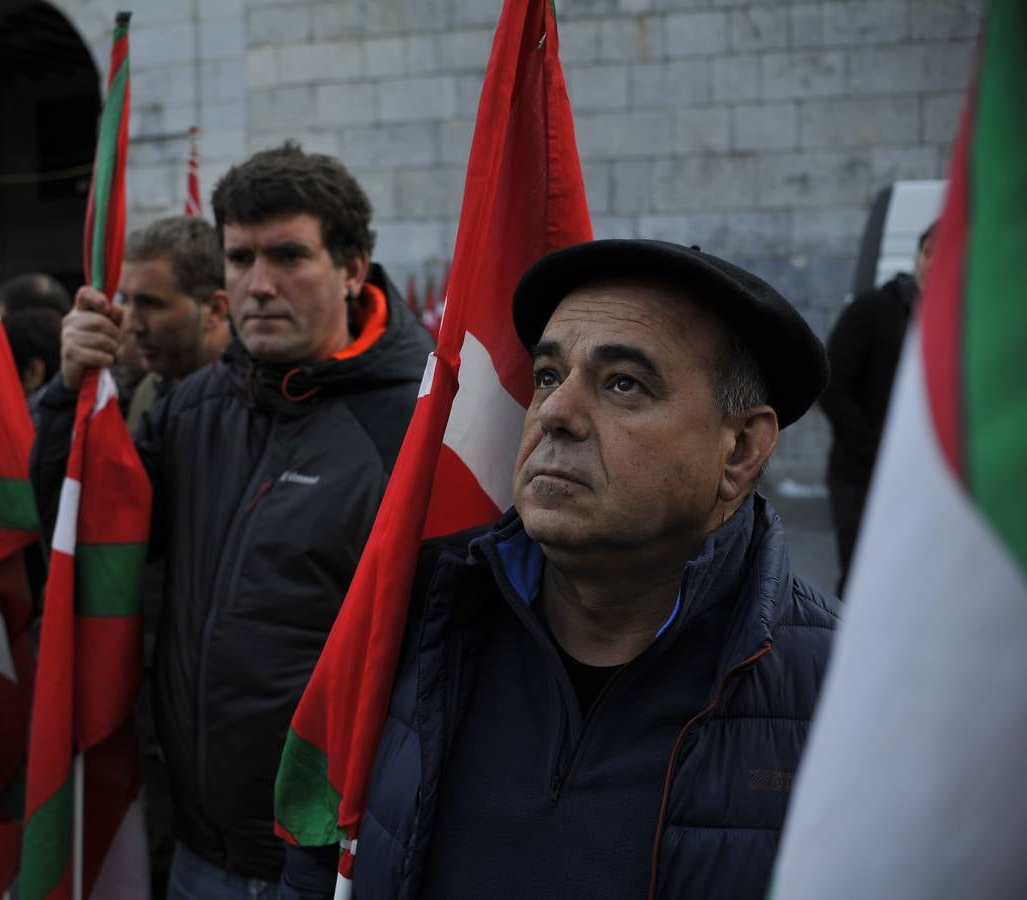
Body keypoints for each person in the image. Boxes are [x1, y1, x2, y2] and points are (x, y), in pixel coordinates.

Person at [282, 240, 842, 900]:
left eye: (624, 384)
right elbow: (320, 860)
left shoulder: (845, 698)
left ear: (741, 448)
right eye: (548, 375)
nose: (554, 412)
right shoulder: (417, 617)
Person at [32, 143, 432, 898]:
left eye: (288, 256)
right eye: (240, 257)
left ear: (353, 269)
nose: (258, 285)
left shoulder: (416, 425)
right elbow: (87, 537)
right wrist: (69, 398)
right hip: (194, 848)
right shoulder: (194, 405)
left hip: (327, 863)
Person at [821, 222, 935, 592]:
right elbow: (831, 383)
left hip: (923, 477)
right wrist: (870, 441)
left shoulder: (962, 321)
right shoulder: (874, 308)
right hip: (861, 474)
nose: (934, 263)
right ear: (917, 256)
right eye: (928, 252)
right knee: (861, 580)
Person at [114, 215, 231, 427]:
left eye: (149, 303)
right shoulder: (148, 391)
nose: (131, 325)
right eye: (125, 301)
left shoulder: (253, 403)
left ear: (215, 309)